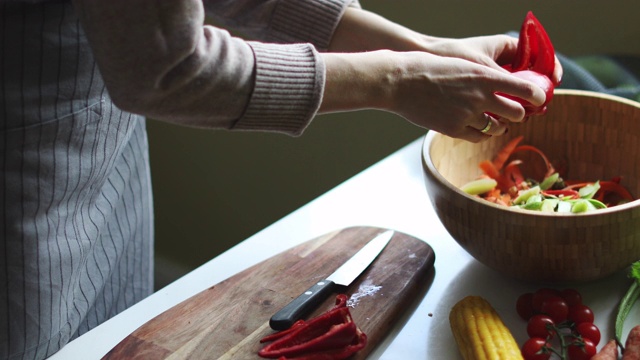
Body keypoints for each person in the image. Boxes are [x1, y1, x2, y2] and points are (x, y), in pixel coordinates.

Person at [0, 0, 561, 359]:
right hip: (21, 160)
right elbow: (169, 70)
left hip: (103, 140)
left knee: (113, 337)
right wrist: (396, 78)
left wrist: (423, 51)